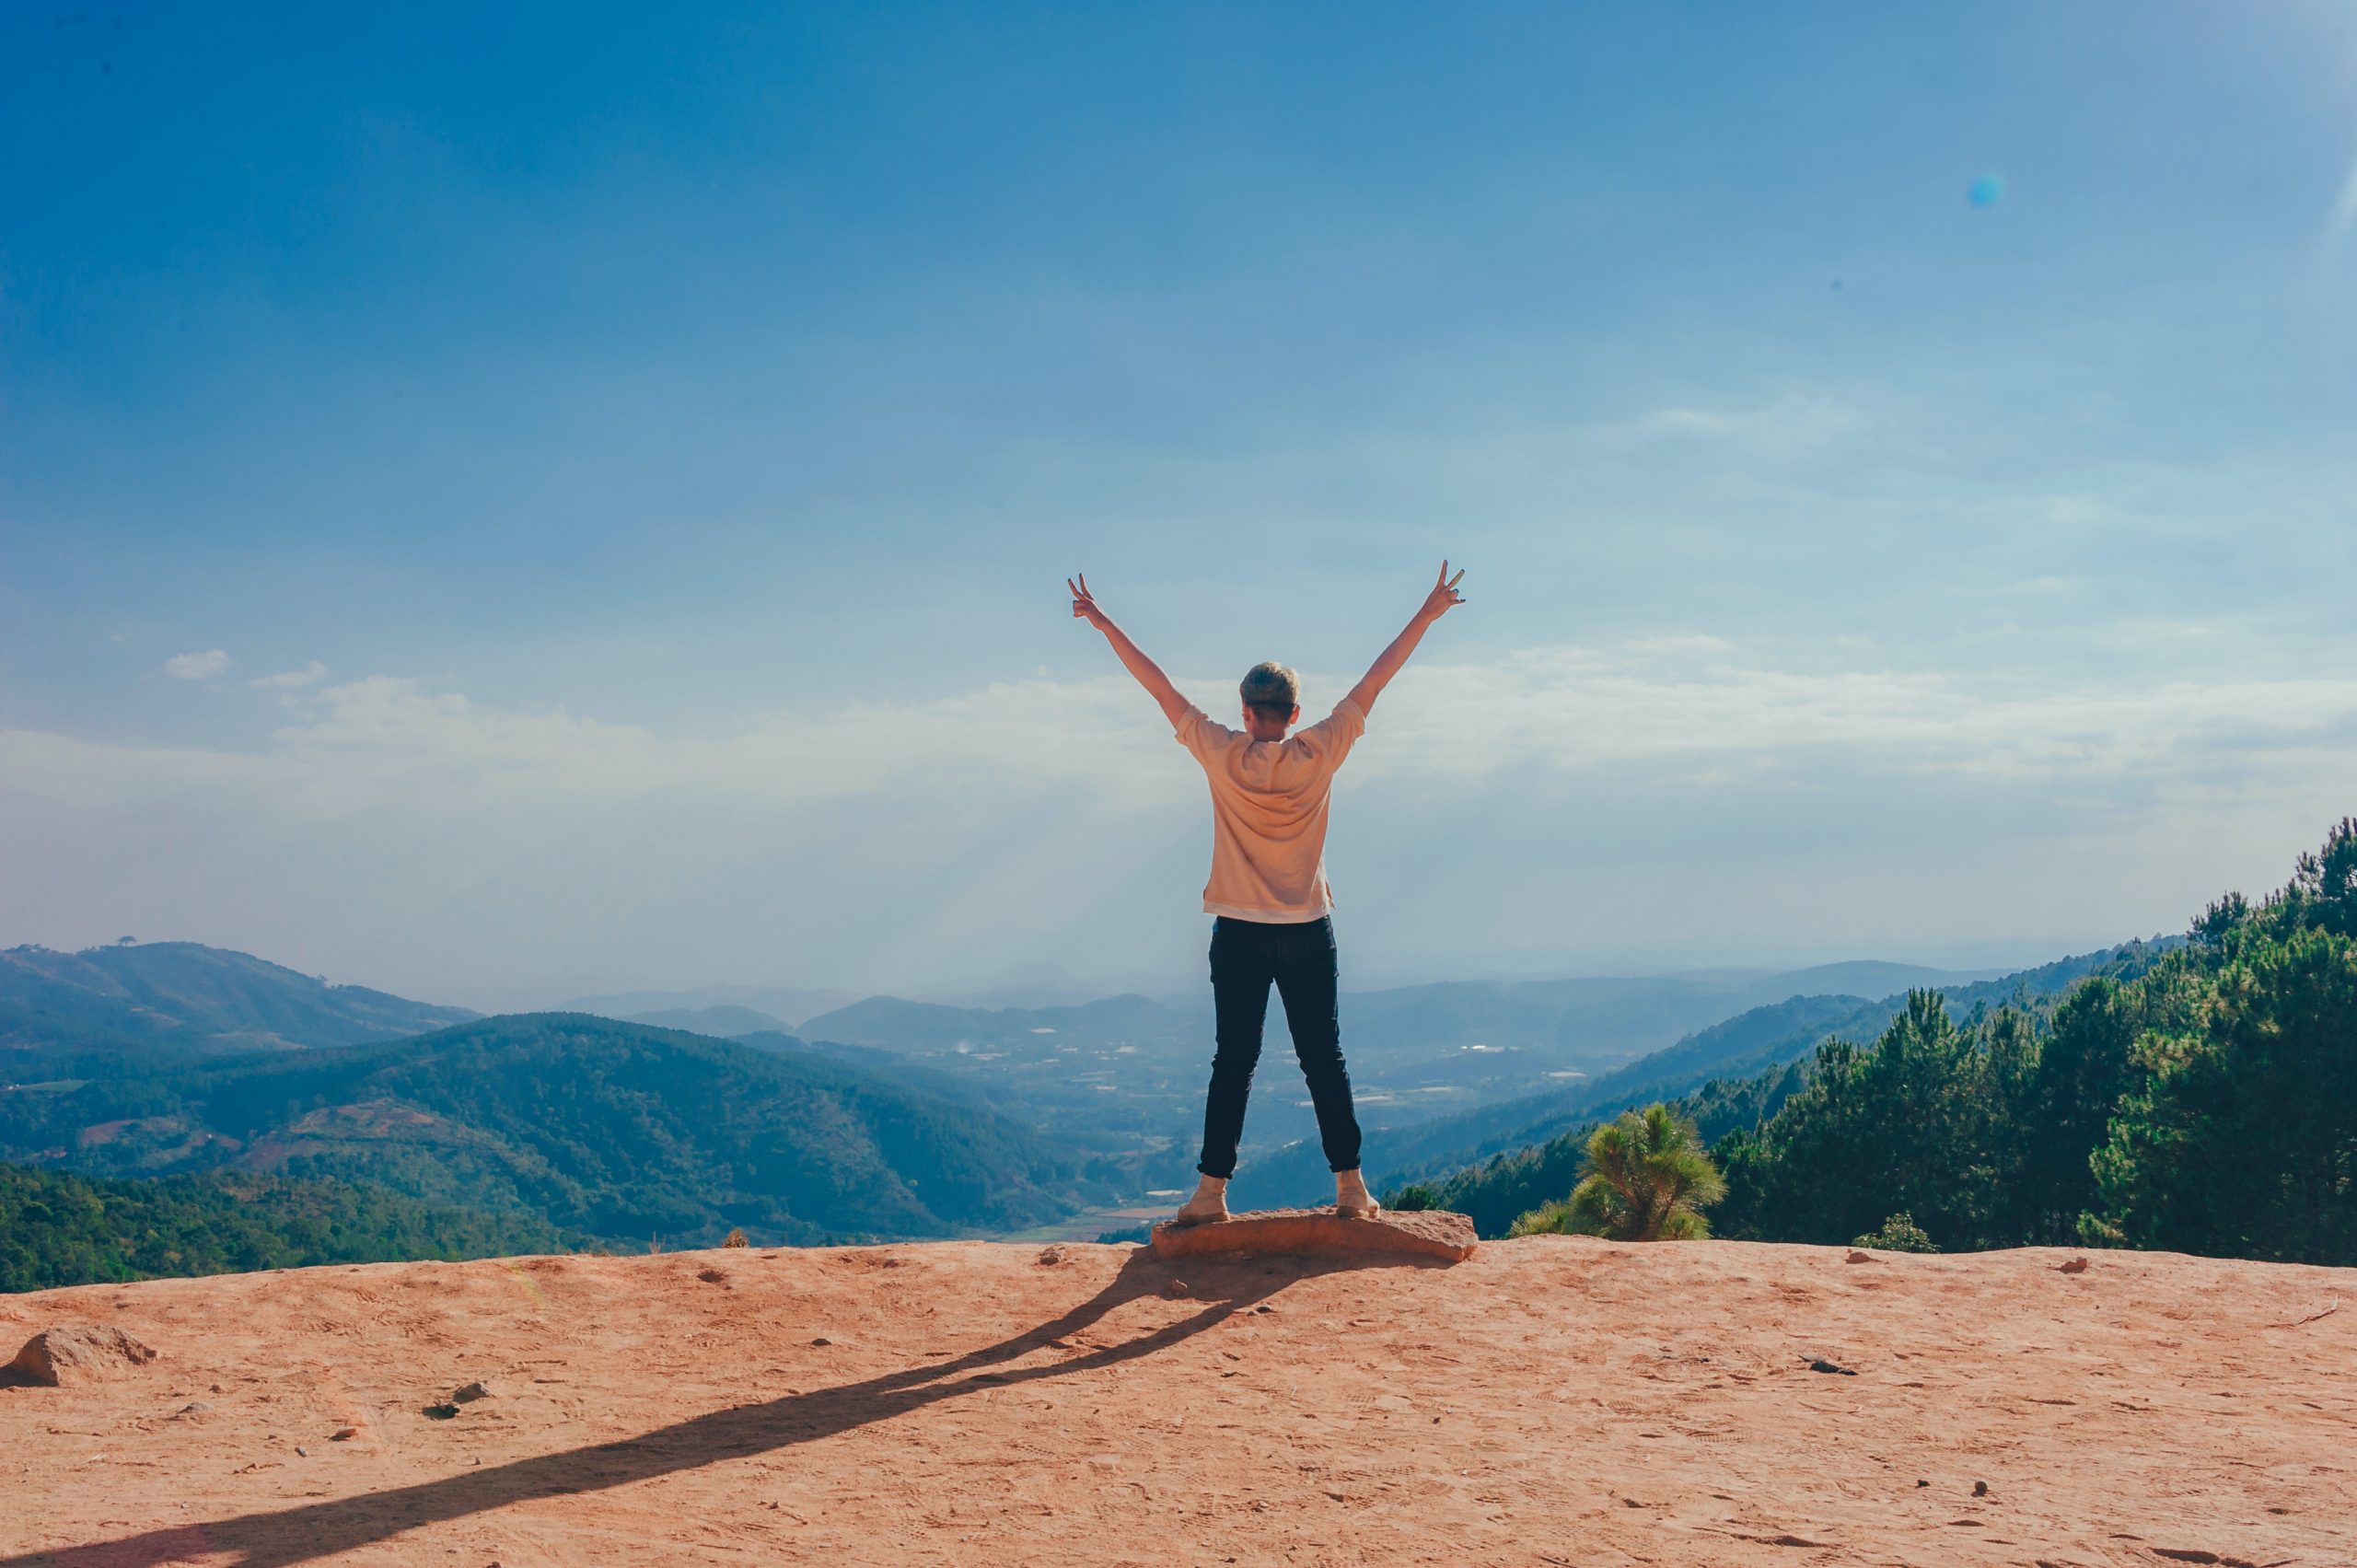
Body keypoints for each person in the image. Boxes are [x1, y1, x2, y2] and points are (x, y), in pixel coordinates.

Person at [1067, 563, 1468, 1225]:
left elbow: (1158, 687)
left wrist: (1105, 622)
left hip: (1240, 931)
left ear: (1247, 713)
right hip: (1309, 927)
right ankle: (1350, 1189)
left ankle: (1210, 1193)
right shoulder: (1322, 750)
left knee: (1234, 1061)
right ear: (1296, 714)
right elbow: (1376, 680)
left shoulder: (1221, 752)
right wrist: (1427, 612)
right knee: (1323, 1060)